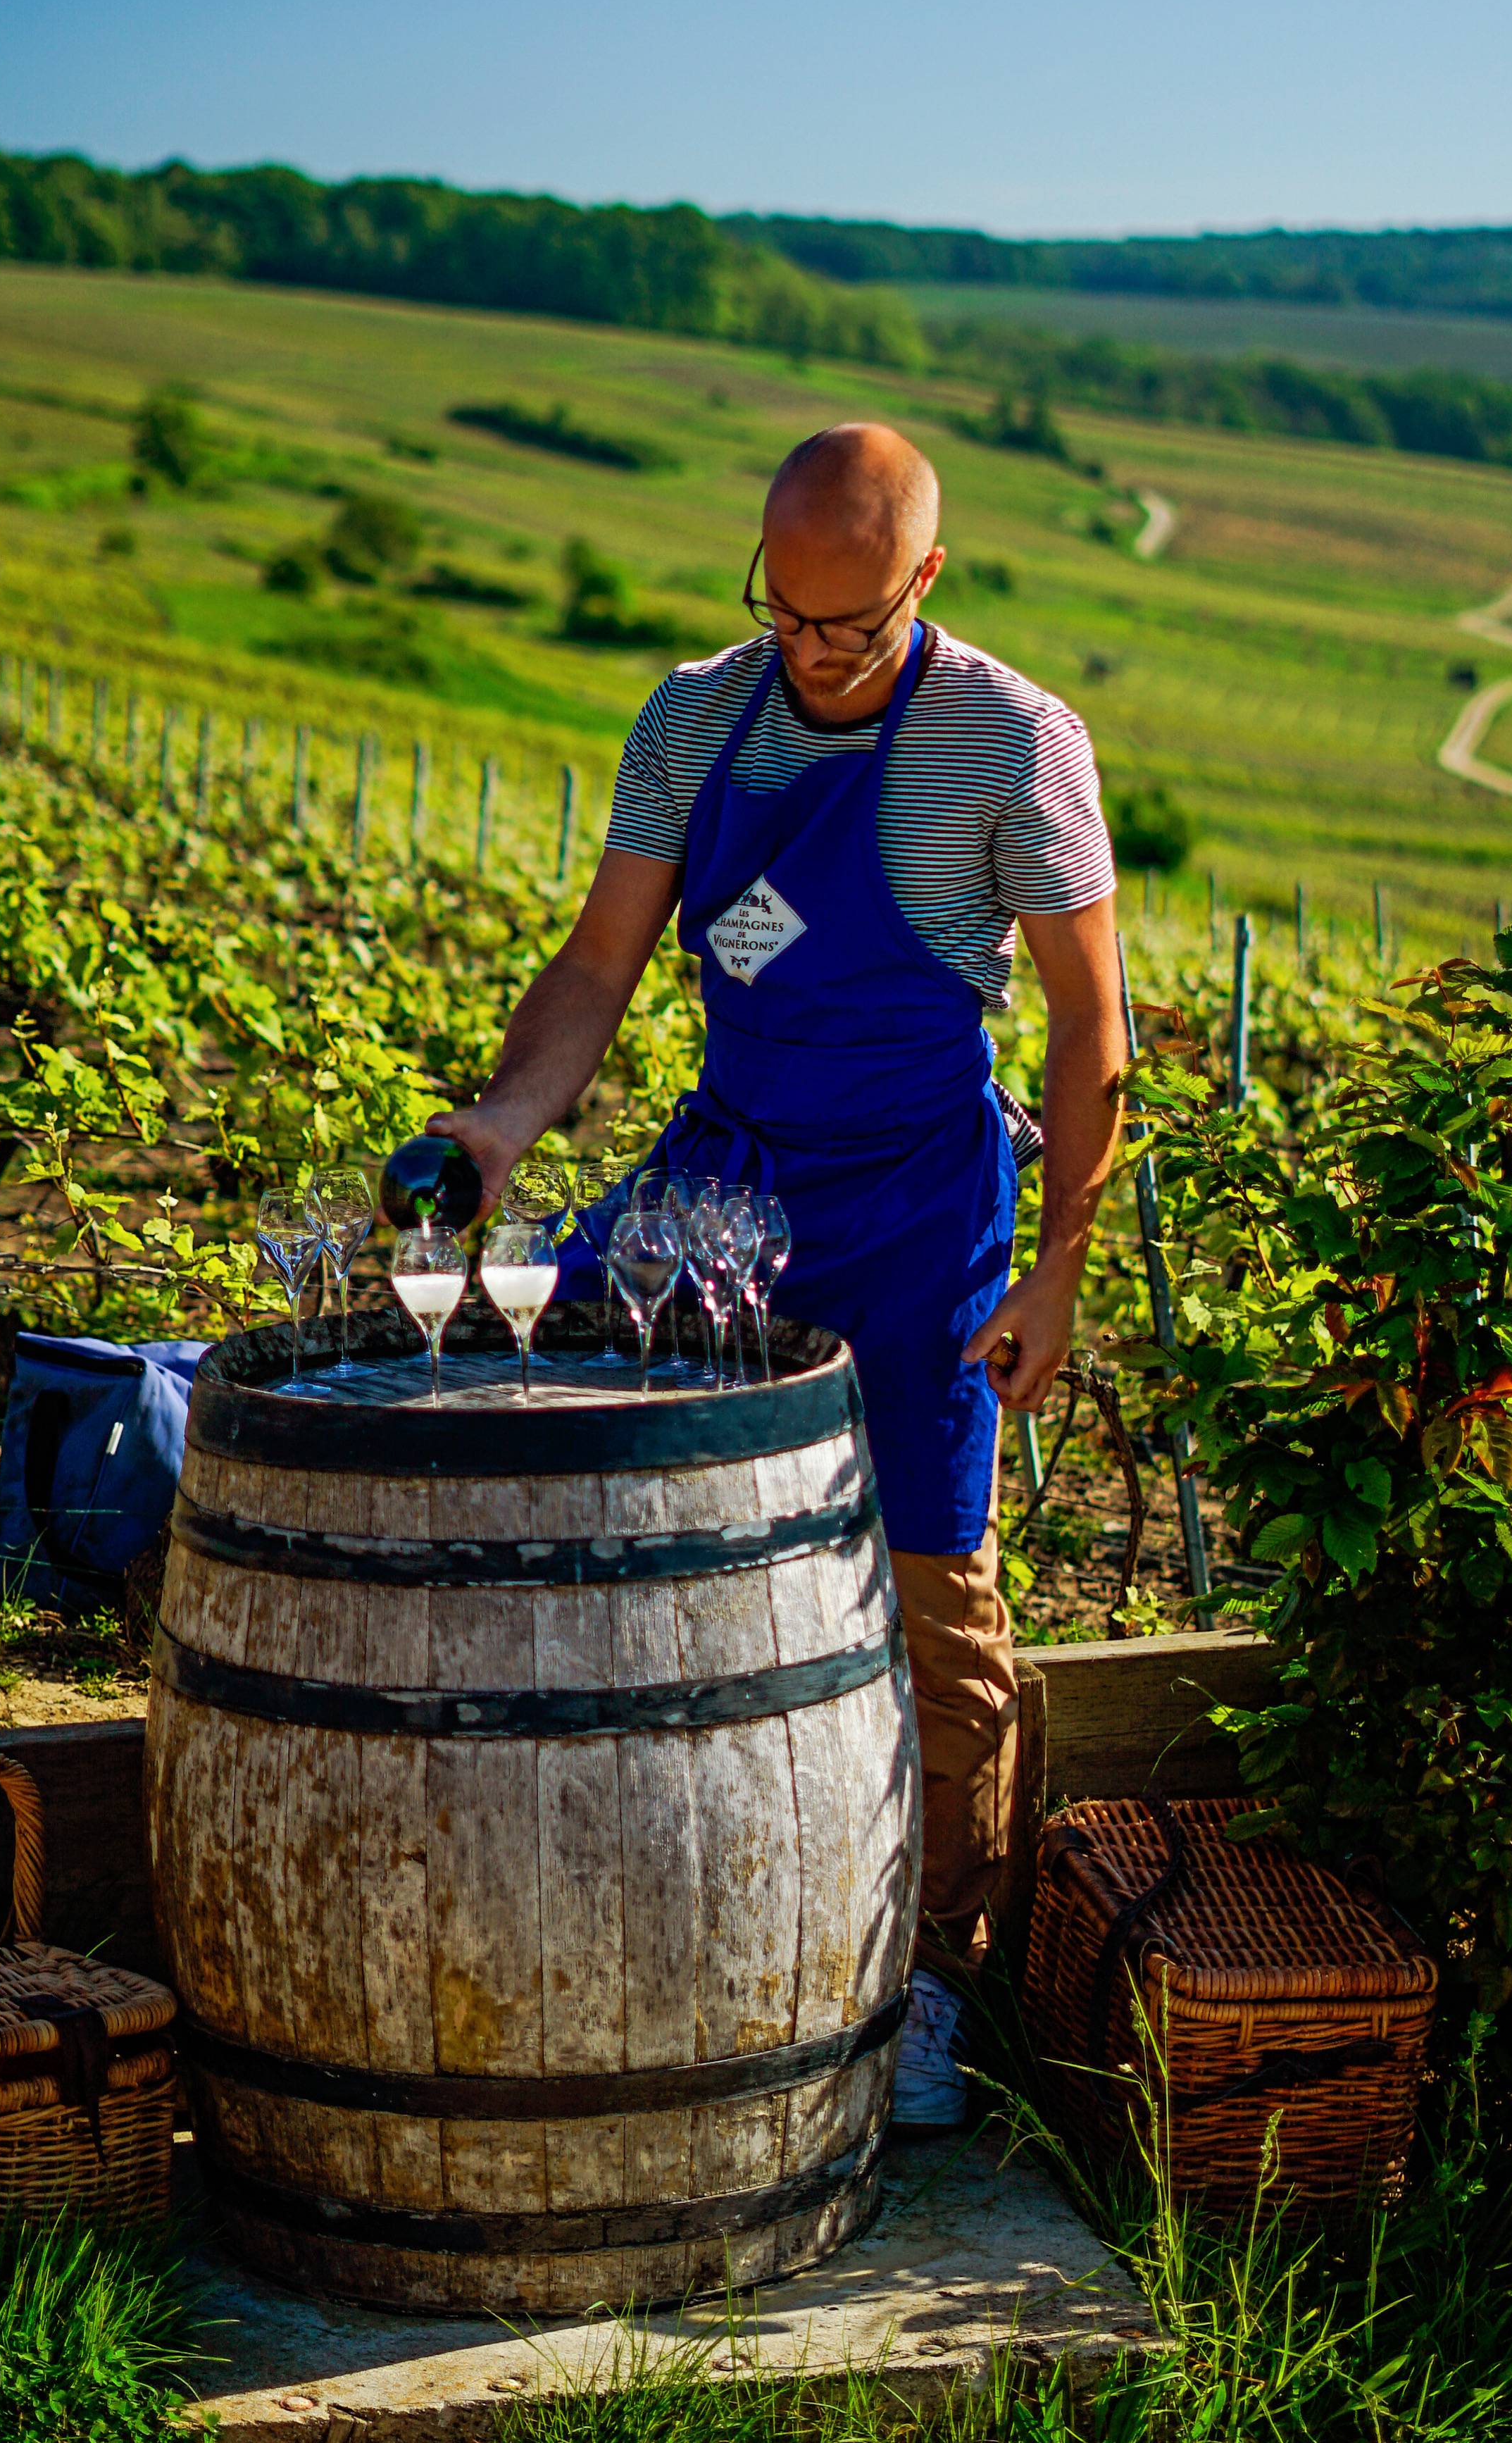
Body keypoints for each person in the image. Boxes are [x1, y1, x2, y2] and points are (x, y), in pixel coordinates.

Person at [427, 421, 1125, 2127]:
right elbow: (602, 959)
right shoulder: (693, 716)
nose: (816, 653)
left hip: (913, 1208)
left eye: (856, 624)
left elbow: (1092, 1030)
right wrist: (506, 1125)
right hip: (728, 1169)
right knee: (538, 1424)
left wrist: (1060, 1275)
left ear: (928, 582)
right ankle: (606, 1903)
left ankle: (930, 1985)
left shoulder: (1014, 741)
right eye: (790, 615)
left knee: (928, 1580)